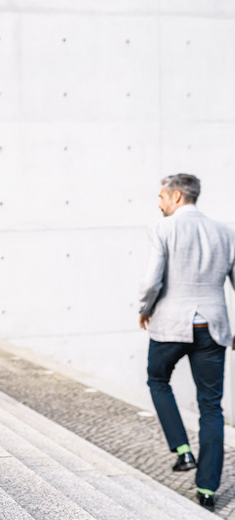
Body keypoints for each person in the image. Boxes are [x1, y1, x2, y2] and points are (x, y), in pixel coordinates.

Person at [138, 173, 235, 511]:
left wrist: (143, 310)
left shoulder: (162, 228)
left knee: (156, 379)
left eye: (162, 195)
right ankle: (207, 490)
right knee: (212, 407)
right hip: (213, 327)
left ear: (177, 196)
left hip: (171, 326)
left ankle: (182, 451)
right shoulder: (225, 232)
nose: (159, 202)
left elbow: (152, 281)